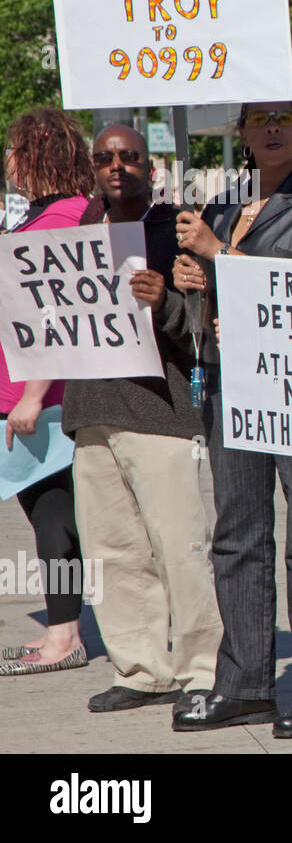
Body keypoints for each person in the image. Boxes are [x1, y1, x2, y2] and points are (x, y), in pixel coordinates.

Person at [170, 96, 292, 738]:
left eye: (284, 117)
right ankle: (246, 682)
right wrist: (192, 278)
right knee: (238, 534)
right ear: (243, 133)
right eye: (260, 119)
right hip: (231, 386)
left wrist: (218, 253)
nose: (272, 128)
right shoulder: (226, 202)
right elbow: (220, 286)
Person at [52, 124, 224, 709]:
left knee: (178, 545)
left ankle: (202, 668)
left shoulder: (176, 226)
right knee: (113, 549)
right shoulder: (79, 229)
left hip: (160, 408)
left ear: (150, 165)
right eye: (104, 158)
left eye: (128, 157)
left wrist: (166, 303)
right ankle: (140, 668)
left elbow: (204, 324)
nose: (116, 166)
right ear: (92, 167)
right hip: (92, 410)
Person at [0, 108, 95, 677]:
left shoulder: (61, 219)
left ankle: (64, 637)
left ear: (34, 156)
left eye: (14, 150)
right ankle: (65, 632)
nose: (8, 162)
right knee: (51, 517)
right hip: (32, 393)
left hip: (43, 399)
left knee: (54, 519)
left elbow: (57, 311)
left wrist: (33, 394)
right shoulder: (62, 214)